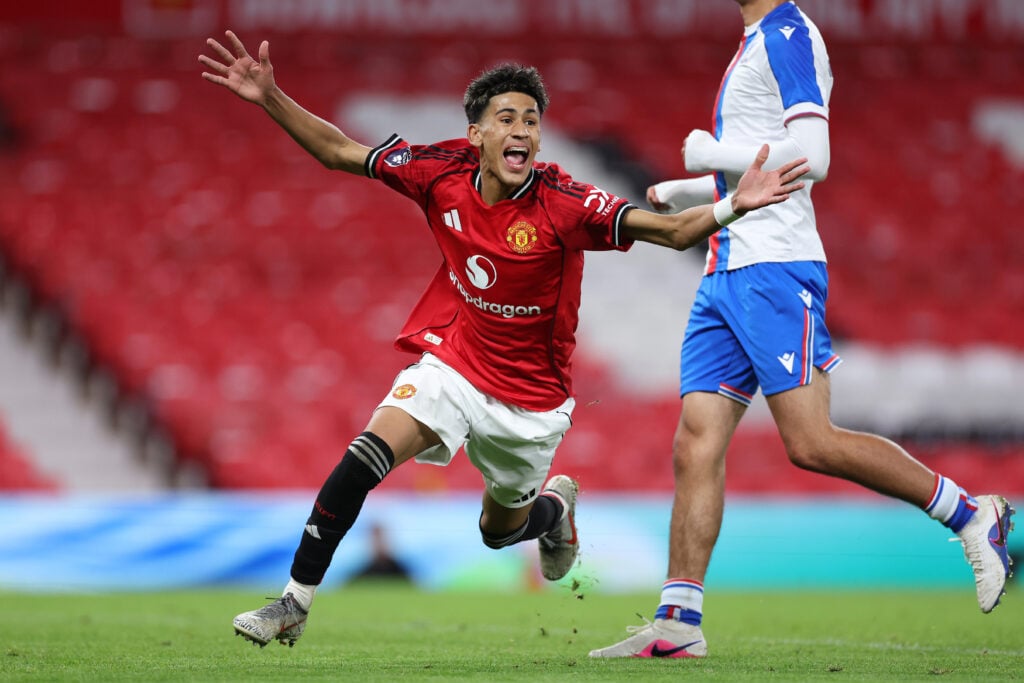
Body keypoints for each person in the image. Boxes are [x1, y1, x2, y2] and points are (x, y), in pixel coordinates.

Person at [198, 30, 809, 648]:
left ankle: (556, 512)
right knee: (364, 457)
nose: (522, 130)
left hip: (532, 402)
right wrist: (271, 97)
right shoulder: (439, 172)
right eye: (507, 118)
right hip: (454, 365)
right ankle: (294, 602)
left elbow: (673, 232)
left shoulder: (566, 202)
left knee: (498, 530)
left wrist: (737, 205)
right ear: (477, 135)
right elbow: (338, 152)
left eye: (532, 120)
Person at [589, 0, 1015, 660]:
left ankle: (970, 512)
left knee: (811, 441)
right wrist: (690, 184)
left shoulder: (788, 32)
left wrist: (713, 150)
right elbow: (765, 161)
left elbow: (813, 156)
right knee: (695, 441)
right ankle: (679, 620)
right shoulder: (756, 37)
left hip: (775, 268)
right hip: (726, 265)